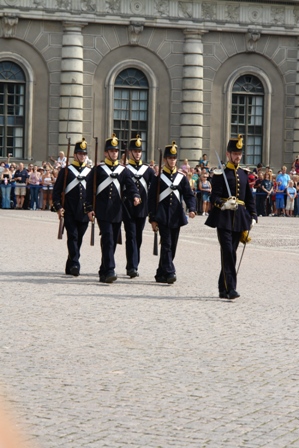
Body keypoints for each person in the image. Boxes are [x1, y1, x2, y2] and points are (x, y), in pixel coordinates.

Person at [205, 135, 257, 299]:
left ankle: (223, 287)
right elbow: (214, 197)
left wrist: (254, 216)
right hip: (224, 217)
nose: (238, 156)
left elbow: (249, 198)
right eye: (235, 153)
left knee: (231, 252)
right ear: (228, 154)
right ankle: (232, 288)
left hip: (239, 218)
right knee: (228, 251)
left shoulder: (243, 173)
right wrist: (223, 204)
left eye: (240, 154)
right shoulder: (221, 174)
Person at [85, 134, 141, 283]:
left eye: (116, 151)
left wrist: (135, 196)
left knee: (111, 241)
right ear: (106, 153)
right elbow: (89, 190)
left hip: (117, 211)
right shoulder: (98, 170)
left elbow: (130, 187)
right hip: (102, 210)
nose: (114, 153)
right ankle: (110, 269)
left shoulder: (123, 171)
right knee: (109, 239)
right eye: (111, 151)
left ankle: (104, 269)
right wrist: (89, 208)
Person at [148, 141, 196, 284]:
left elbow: (188, 195)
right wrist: (152, 218)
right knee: (167, 244)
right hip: (162, 215)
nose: (172, 160)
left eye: (174, 158)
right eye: (170, 158)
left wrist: (192, 208)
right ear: (165, 160)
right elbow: (152, 199)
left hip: (176, 215)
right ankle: (170, 271)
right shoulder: (158, 178)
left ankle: (161, 272)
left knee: (172, 246)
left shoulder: (181, 177)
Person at [53, 138, 91, 276]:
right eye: (80, 154)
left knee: (79, 239)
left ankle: (70, 262)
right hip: (69, 210)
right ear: (75, 155)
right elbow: (57, 191)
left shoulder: (89, 172)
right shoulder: (66, 171)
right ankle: (75, 263)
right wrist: (58, 207)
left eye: (84, 154)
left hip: (84, 212)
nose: (82, 156)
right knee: (73, 236)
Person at [123, 135, 155, 278]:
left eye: (139, 151)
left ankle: (134, 263)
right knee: (131, 236)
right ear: (130, 152)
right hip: (128, 208)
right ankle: (132, 267)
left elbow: (154, 189)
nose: (137, 154)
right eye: (135, 151)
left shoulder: (148, 171)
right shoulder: (124, 170)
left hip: (142, 209)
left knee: (138, 237)